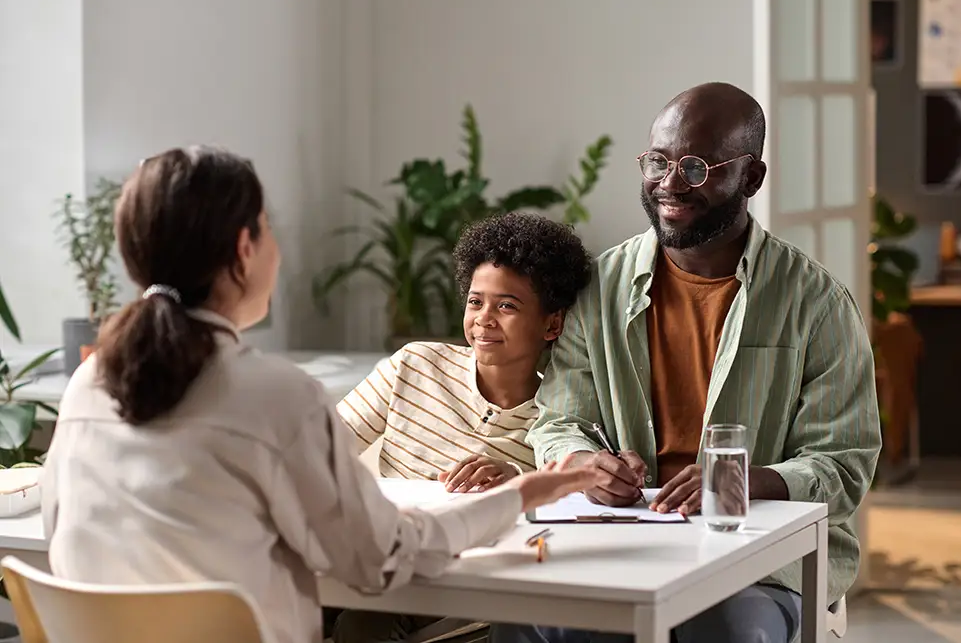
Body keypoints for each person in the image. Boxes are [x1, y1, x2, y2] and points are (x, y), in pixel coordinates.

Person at [39, 146, 599, 643]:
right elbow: (381, 558)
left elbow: (56, 529)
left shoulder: (90, 382)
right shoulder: (277, 394)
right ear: (243, 251)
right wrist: (521, 496)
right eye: (268, 228)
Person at [492, 83, 881, 643]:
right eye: (658, 161)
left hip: (758, 557)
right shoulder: (598, 288)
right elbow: (558, 420)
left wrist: (737, 481)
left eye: (697, 167)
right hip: (621, 538)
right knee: (527, 619)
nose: (670, 183)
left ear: (751, 178)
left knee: (721, 630)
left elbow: (844, 466)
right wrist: (584, 463)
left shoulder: (816, 303)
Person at [332, 212, 593, 642]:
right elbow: (322, 451)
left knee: (364, 622)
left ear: (553, 323)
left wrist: (520, 483)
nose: (484, 319)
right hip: (386, 564)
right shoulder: (414, 365)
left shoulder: (564, 420)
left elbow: (569, 524)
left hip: (476, 595)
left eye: (506, 305)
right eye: (476, 301)